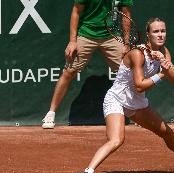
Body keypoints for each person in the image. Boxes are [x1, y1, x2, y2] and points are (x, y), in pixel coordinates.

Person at [71, 18, 174, 173]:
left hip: (137, 103)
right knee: (116, 140)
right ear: (148, 35)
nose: (160, 35)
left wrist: (166, 64)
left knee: (166, 132)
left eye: (163, 31)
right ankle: (88, 172)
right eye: (156, 31)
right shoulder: (138, 54)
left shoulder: (164, 51)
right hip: (116, 99)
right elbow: (139, 86)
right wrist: (161, 74)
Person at [42, 0, 133, 129]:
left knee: (128, 72)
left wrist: (126, 44)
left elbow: (126, 15)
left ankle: (138, 112)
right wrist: (72, 41)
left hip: (111, 35)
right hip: (86, 34)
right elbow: (76, 11)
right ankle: (51, 113)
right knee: (69, 72)